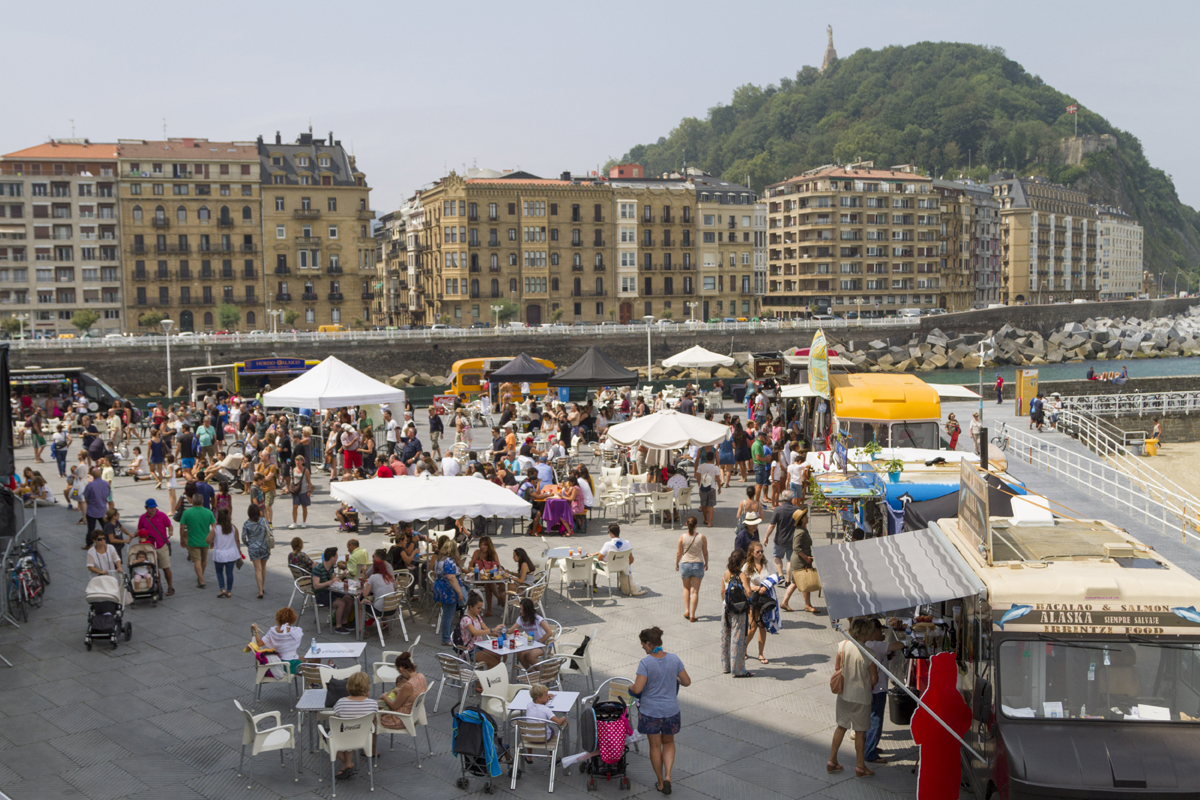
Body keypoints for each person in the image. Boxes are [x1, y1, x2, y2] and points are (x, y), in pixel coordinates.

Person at [630, 627, 691, 794]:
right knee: (669, 743)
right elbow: (686, 681)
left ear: (648, 643)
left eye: (643, 644)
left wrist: (630, 686)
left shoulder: (646, 663)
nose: (642, 647)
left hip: (651, 712)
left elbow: (637, 689)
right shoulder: (674, 659)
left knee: (655, 747)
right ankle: (668, 776)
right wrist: (675, 677)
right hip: (671, 710)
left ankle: (660, 782)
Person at [828, 618, 878, 778]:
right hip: (861, 697)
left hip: (844, 694)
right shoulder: (869, 654)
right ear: (865, 633)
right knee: (860, 732)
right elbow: (874, 679)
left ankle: (832, 760)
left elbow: (837, 667)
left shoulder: (842, 645)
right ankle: (860, 766)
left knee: (841, 727)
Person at [864, 619, 905, 764]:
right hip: (877, 689)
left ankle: (869, 746)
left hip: (870, 688)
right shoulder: (876, 644)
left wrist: (886, 656)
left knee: (869, 718)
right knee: (876, 720)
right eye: (881, 631)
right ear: (874, 631)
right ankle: (870, 753)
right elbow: (898, 645)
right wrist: (905, 639)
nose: (882, 633)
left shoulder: (868, 644)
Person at [331, 671, 377, 780]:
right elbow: (374, 722)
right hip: (362, 737)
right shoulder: (372, 703)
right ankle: (347, 763)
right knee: (353, 729)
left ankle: (347, 763)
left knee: (328, 735)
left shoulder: (341, 702)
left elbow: (334, 722)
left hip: (343, 737)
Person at [781, 507, 821, 614]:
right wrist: (806, 558)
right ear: (802, 519)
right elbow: (796, 547)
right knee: (799, 581)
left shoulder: (802, 530)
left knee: (800, 581)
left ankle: (804, 604)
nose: (807, 517)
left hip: (801, 560)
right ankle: (804, 605)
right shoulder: (800, 532)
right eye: (805, 516)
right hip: (799, 561)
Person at [720, 549, 752, 678]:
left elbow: (722, 591)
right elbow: (748, 592)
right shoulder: (741, 575)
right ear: (742, 561)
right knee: (737, 638)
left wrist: (726, 603)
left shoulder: (726, 573)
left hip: (726, 609)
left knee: (726, 637)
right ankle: (738, 669)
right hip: (738, 610)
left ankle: (726, 666)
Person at [742, 541, 776, 665]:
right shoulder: (746, 567)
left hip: (765, 598)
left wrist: (766, 586)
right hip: (753, 599)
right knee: (753, 626)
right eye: (758, 551)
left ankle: (761, 654)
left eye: (762, 551)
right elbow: (743, 584)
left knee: (762, 625)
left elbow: (774, 577)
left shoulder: (767, 564)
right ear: (752, 553)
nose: (761, 553)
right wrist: (754, 588)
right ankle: (743, 649)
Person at [379, 651, 428, 733]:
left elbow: (394, 706)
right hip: (414, 715)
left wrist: (384, 696)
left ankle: (370, 745)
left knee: (372, 717)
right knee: (377, 705)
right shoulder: (421, 676)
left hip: (401, 719)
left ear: (401, 669)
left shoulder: (408, 685)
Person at [136, 497, 175, 596]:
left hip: (161, 545)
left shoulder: (161, 515)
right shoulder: (143, 518)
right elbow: (139, 530)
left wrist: (170, 530)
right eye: (150, 508)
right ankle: (157, 586)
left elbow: (169, 525)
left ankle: (170, 587)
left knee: (166, 567)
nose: (153, 509)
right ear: (146, 508)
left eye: (154, 507)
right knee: (153, 569)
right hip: (148, 547)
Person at [432, 538, 467, 646]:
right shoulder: (449, 562)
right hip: (448, 590)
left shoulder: (439, 560)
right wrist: (459, 592)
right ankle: (446, 639)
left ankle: (448, 636)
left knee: (447, 614)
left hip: (440, 588)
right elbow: (451, 578)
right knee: (448, 615)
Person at [251, 608, 304, 675]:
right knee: (310, 661)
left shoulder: (273, 631)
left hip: (278, 663)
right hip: (290, 664)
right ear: (293, 619)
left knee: (302, 661)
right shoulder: (296, 631)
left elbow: (259, 643)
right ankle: (312, 681)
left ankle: (306, 678)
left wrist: (256, 630)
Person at [675, 517, 708, 623]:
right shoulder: (702, 537)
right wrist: (706, 563)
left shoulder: (682, 537)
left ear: (686, 524)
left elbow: (679, 553)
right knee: (695, 591)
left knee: (686, 588)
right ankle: (693, 615)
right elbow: (705, 552)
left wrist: (676, 563)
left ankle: (687, 610)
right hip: (698, 564)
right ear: (696, 525)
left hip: (685, 564)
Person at [180, 492, 216, 589]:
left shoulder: (186, 513)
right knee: (203, 560)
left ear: (192, 501)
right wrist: (212, 539)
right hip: (205, 540)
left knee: (196, 560)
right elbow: (214, 526)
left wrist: (182, 539)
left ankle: (201, 580)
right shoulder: (208, 512)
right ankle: (201, 577)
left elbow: (182, 527)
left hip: (192, 540)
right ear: (203, 501)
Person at [764, 489, 798, 585]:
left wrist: (766, 537)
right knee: (789, 561)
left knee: (777, 557)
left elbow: (772, 525)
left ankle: (780, 575)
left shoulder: (778, 510)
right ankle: (788, 581)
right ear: (792, 498)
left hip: (780, 539)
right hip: (793, 540)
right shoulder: (797, 510)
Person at [459, 593, 503, 667]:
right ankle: (488, 677)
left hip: (480, 647)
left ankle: (491, 675)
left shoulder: (478, 617)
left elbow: (486, 630)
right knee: (493, 662)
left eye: (481, 608)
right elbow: (475, 633)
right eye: (478, 608)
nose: (480, 610)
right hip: (470, 650)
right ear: (471, 607)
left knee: (502, 656)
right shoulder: (466, 619)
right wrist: (492, 630)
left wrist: (498, 633)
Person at [510, 597, 554, 668]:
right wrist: (503, 630)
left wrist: (538, 642)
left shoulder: (537, 619)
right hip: (532, 644)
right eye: (520, 609)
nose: (520, 611)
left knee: (530, 656)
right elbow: (511, 630)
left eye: (522, 609)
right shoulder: (521, 619)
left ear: (528, 610)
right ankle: (531, 673)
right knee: (520, 655)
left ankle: (542, 675)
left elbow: (549, 633)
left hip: (545, 644)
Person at [211, 507, 243, 599]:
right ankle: (229, 591)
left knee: (219, 572)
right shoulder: (233, 528)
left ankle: (222, 589)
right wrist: (239, 552)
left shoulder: (215, 529)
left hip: (219, 555)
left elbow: (208, 539)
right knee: (229, 573)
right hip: (231, 554)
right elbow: (237, 540)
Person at [468, 536, 504, 617]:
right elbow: (470, 566)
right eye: (481, 545)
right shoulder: (477, 553)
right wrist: (473, 569)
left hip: (491, 578)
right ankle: (498, 598)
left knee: (488, 584)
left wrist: (498, 569)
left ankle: (489, 609)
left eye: (485, 545)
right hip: (479, 578)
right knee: (488, 583)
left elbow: (498, 566)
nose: (482, 547)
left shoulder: (493, 554)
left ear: (489, 545)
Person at [243, 502, 271, 599]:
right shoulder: (263, 521)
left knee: (257, 569)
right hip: (264, 547)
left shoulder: (246, 523)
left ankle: (259, 591)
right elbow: (270, 532)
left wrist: (248, 544)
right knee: (263, 567)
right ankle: (263, 586)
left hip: (253, 548)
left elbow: (243, 537)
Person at [82, 468, 110, 546]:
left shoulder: (90, 485)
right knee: (105, 527)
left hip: (92, 510)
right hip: (103, 509)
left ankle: (89, 544)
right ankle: (107, 541)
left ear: (92, 475)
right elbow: (108, 494)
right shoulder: (106, 484)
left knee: (91, 528)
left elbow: (86, 496)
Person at [695, 451, 721, 527]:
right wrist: (719, 487)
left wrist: (699, 484)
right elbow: (718, 479)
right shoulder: (715, 467)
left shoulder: (701, 466)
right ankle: (709, 522)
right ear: (713, 458)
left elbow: (698, 476)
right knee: (711, 506)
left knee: (704, 505)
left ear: (706, 458)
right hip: (712, 488)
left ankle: (705, 519)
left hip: (703, 487)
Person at [288, 455, 312, 529]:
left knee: (304, 507)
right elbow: (293, 479)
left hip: (304, 491)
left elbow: (309, 481)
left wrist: (309, 491)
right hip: (296, 491)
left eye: (299, 460)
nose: (297, 462)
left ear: (302, 461)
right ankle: (294, 522)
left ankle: (304, 522)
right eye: (296, 460)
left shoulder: (306, 470)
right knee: (295, 506)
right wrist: (292, 488)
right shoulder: (294, 469)